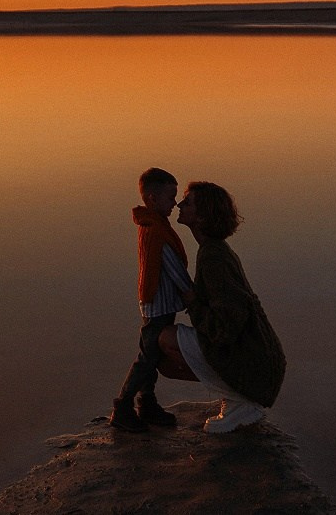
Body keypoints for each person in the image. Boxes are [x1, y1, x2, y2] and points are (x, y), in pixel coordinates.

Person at [157, 181, 286, 434]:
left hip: (258, 368)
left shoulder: (213, 257)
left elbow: (225, 327)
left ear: (203, 214)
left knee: (165, 340)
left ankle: (242, 399)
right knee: (163, 360)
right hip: (261, 364)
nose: (180, 205)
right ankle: (236, 395)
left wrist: (191, 300)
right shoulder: (213, 250)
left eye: (188, 202)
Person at [109, 167, 194, 433]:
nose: (176, 203)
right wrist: (194, 297)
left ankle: (146, 402)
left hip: (157, 302)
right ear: (153, 199)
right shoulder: (156, 231)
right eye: (171, 197)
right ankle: (122, 407)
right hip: (158, 305)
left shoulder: (153, 225)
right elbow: (174, 271)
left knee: (152, 354)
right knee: (147, 357)